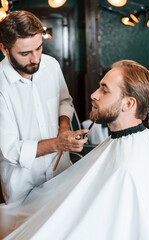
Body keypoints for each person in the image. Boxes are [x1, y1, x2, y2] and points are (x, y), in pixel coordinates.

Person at [1, 59, 149, 240]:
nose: (93, 94)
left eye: (104, 90)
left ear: (128, 104)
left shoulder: (128, 168)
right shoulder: (133, 141)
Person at [0, 10, 88, 204]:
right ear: (4, 49)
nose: (35, 59)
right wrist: (59, 143)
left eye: (39, 48)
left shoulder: (51, 65)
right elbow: (9, 150)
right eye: (25, 53)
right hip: (23, 190)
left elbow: (64, 102)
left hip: (61, 174)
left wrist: (64, 127)